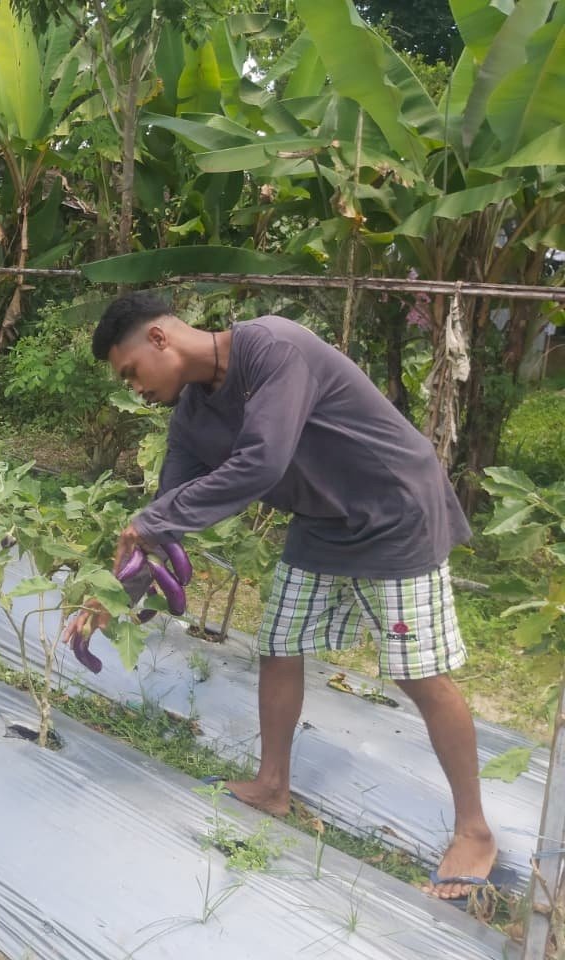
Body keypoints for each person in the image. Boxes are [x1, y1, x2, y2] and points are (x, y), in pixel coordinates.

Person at [67, 291, 496, 901]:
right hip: (323, 522)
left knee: (417, 673)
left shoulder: (273, 347)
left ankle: (475, 831)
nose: (132, 387)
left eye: (130, 371)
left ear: (160, 338)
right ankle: (273, 785)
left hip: (394, 511)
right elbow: (166, 519)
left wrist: (151, 523)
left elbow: (262, 462)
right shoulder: (192, 417)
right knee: (279, 644)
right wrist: (108, 599)